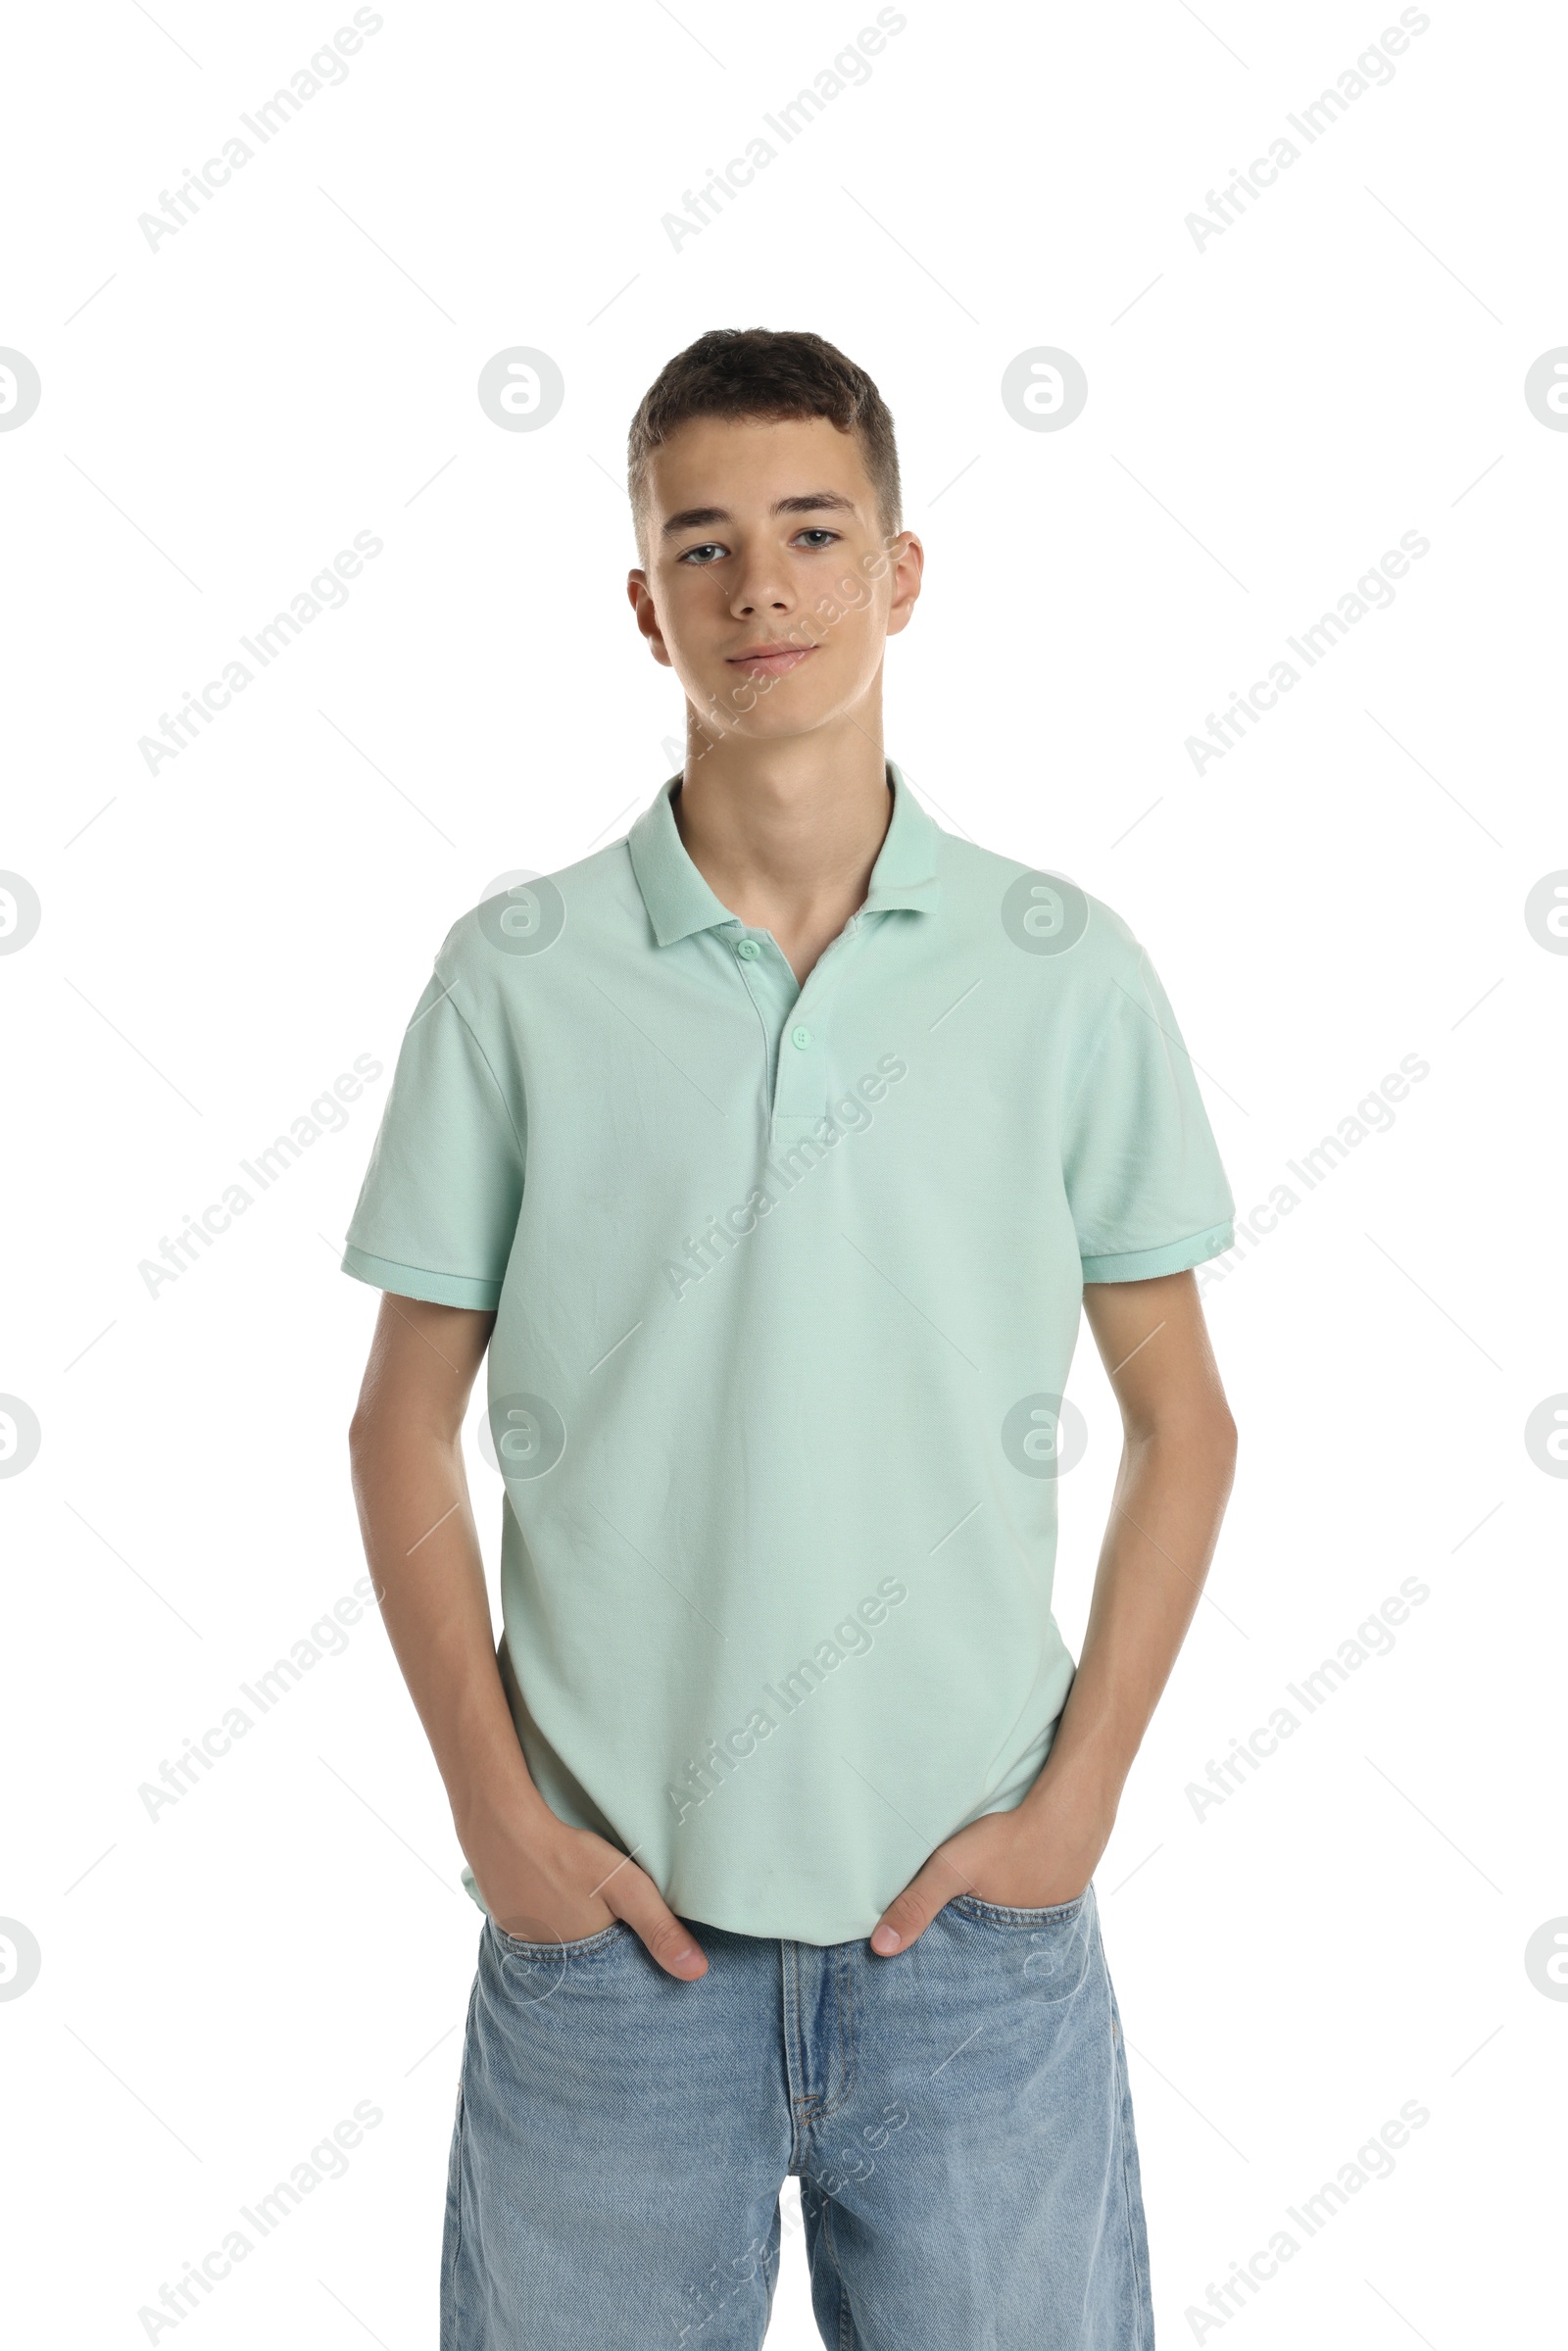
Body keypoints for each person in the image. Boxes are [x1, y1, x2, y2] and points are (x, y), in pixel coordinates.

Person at [344, 326, 1238, 2349]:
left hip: (969, 1952)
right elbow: (399, 1431)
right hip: (613, 1957)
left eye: (814, 531)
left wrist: (1076, 1802)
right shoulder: (516, 981)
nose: (763, 592)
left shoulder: (1060, 975)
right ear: (641, 596)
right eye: (707, 543)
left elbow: (1183, 1423)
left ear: (899, 571)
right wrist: (501, 1825)